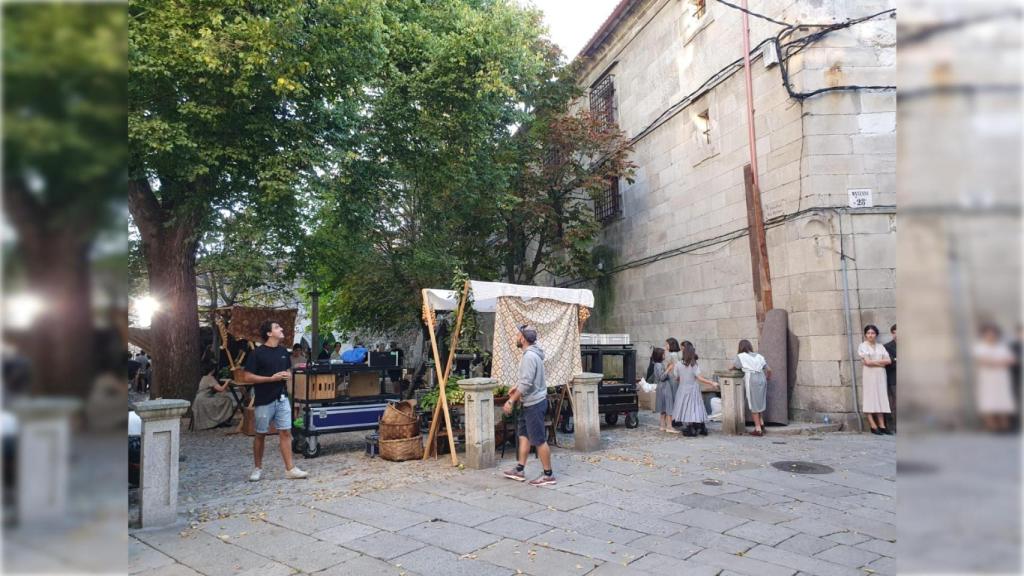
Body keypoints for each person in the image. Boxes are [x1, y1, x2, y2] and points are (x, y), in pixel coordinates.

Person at [240, 320, 308, 481]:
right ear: (269, 333)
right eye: (277, 327)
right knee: (260, 434)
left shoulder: (284, 351)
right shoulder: (257, 353)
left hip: (282, 398)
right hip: (264, 400)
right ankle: (257, 468)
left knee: (285, 432)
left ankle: (290, 469)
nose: (281, 328)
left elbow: (287, 370)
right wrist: (270, 379)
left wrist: (288, 375)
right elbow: (247, 376)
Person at [503, 324, 555, 486]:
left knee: (539, 440)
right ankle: (520, 470)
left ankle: (548, 475)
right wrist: (516, 387)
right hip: (530, 403)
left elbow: (526, 383)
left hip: (534, 404)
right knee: (524, 436)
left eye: (517, 335)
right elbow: (527, 380)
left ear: (523, 339)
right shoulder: (532, 354)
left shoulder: (529, 357)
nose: (516, 338)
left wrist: (511, 400)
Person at [973, 323, 1016, 433]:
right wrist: (999, 362)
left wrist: (994, 362)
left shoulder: (1002, 347)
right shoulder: (980, 347)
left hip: (1001, 378)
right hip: (988, 379)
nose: (991, 336)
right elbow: (983, 361)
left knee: (1004, 401)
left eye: (993, 334)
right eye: (988, 334)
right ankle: (992, 427)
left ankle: (1004, 426)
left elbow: (1012, 360)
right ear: (983, 335)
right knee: (989, 401)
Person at [671, 342, 716, 436]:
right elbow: (699, 378)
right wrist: (711, 382)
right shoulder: (694, 364)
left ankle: (690, 427)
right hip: (693, 388)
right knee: (696, 407)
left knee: (686, 407)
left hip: (683, 388)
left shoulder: (678, 364)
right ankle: (701, 426)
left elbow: (676, 377)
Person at [859, 324, 892, 435]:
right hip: (869, 375)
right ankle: (873, 425)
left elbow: (888, 361)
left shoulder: (880, 347)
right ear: (865, 335)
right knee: (870, 397)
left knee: (881, 396)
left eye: (872, 333)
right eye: (868, 333)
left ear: (876, 335)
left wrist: (873, 363)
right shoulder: (863, 346)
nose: (870, 335)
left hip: (881, 375)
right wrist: (880, 363)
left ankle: (882, 425)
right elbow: (867, 362)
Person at [734, 340, 771, 437]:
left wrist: (730, 368)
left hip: (752, 379)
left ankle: (758, 429)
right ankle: (762, 424)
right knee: (759, 402)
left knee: (753, 404)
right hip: (762, 378)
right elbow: (769, 369)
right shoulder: (759, 356)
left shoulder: (741, 356)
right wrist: (768, 377)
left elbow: (736, 366)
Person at [191, 361, 236, 430]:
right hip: (204, 400)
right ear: (213, 370)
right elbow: (221, 389)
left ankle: (221, 420)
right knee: (227, 400)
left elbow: (215, 389)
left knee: (221, 398)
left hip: (199, 400)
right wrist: (227, 382)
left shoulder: (204, 377)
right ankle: (221, 420)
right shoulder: (210, 378)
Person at [650, 348, 676, 433]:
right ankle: (669, 426)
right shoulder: (658, 365)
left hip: (661, 387)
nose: (665, 355)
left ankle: (662, 425)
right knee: (668, 406)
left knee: (663, 408)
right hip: (664, 387)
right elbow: (662, 377)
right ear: (660, 355)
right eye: (663, 354)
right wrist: (668, 369)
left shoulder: (657, 364)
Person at [883, 324, 897, 431]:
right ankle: (894, 426)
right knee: (895, 404)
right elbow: (890, 363)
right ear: (893, 333)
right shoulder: (887, 346)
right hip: (894, 379)